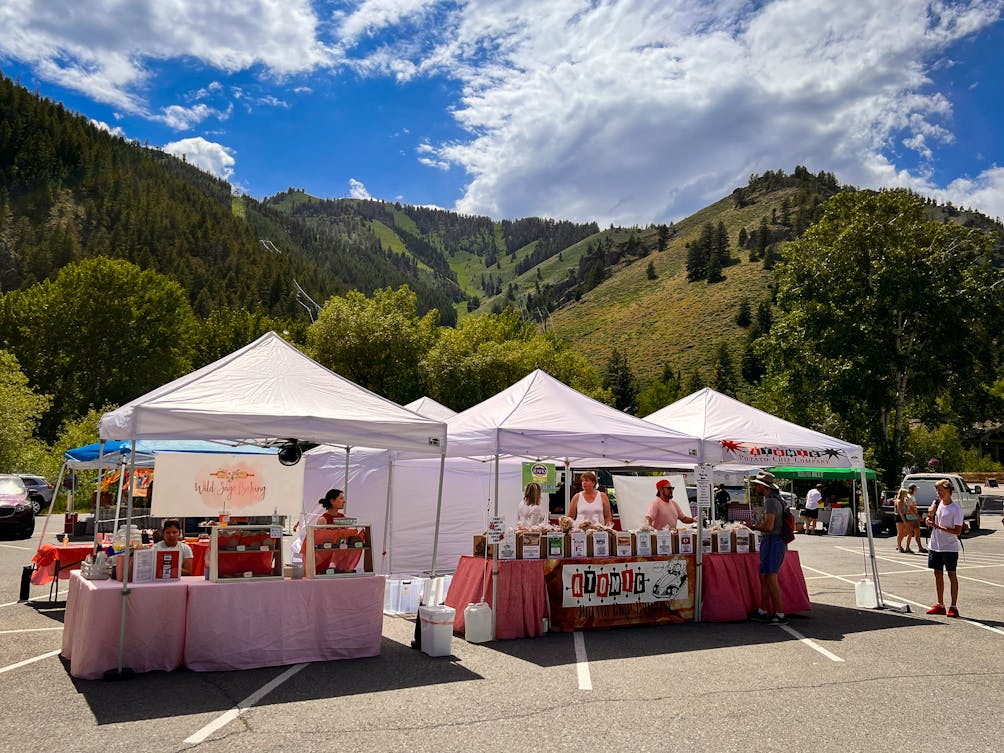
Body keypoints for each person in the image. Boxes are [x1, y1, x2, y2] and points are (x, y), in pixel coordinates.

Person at [748, 471, 787, 624]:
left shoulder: (770, 501)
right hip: (774, 541)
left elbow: (769, 526)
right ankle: (763, 610)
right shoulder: (777, 499)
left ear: (764, 487)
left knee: (770, 577)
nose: (756, 487)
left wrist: (753, 526)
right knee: (766, 577)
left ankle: (780, 614)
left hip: (773, 541)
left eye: (758, 485)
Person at [925, 479, 964, 617]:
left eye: (940, 490)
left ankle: (953, 606)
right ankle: (940, 604)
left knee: (951, 574)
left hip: (950, 547)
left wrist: (937, 526)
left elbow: (957, 531)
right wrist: (929, 519)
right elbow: (930, 519)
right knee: (937, 573)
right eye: (937, 491)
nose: (938, 493)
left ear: (948, 490)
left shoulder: (956, 509)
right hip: (935, 545)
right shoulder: (937, 504)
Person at [904, 483, 927, 553]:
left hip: (911, 516)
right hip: (912, 517)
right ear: (912, 489)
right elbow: (910, 509)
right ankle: (917, 547)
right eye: (915, 489)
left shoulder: (910, 496)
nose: (916, 490)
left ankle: (911, 547)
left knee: (912, 533)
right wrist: (918, 516)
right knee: (916, 532)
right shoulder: (910, 497)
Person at [894, 488, 912, 552]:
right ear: (903, 494)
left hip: (905, 516)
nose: (907, 494)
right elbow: (900, 512)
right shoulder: (899, 501)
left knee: (907, 532)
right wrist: (904, 520)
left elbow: (908, 509)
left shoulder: (904, 500)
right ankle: (899, 547)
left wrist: (908, 501)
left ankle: (904, 546)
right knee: (900, 533)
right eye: (906, 493)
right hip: (899, 517)